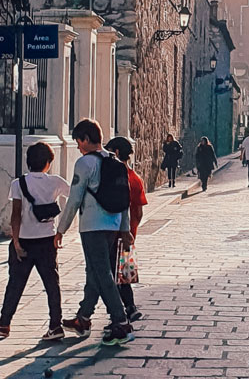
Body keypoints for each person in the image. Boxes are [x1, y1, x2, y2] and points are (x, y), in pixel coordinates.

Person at [57, 119, 135, 346]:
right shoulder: (115, 160)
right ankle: (83, 317)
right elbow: (125, 199)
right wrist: (124, 229)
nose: (78, 147)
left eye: (79, 142)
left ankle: (120, 322)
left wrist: (61, 229)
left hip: (92, 226)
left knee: (102, 274)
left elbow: (74, 200)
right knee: (95, 271)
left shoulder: (85, 164)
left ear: (86, 139)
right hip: (112, 224)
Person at [0, 142, 70, 339]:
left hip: (24, 239)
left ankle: (4, 323)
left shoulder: (18, 184)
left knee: (15, 283)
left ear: (28, 161)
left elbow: (16, 214)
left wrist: (15, 241)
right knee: (52, 283)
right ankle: (55, 325)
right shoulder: (55, 182)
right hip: (47, 240)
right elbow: (74, 197)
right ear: (48, 163)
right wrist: (61, 230)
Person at [105, 136, 147, 323]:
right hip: (129, 233)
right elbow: (138, 212)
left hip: (113, 231)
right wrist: (133, 231)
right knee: (123, 272)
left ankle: (121, 313)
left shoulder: (114, 177)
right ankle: (129, 307)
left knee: (110, 274)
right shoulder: (136, 178)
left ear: (116, 153)